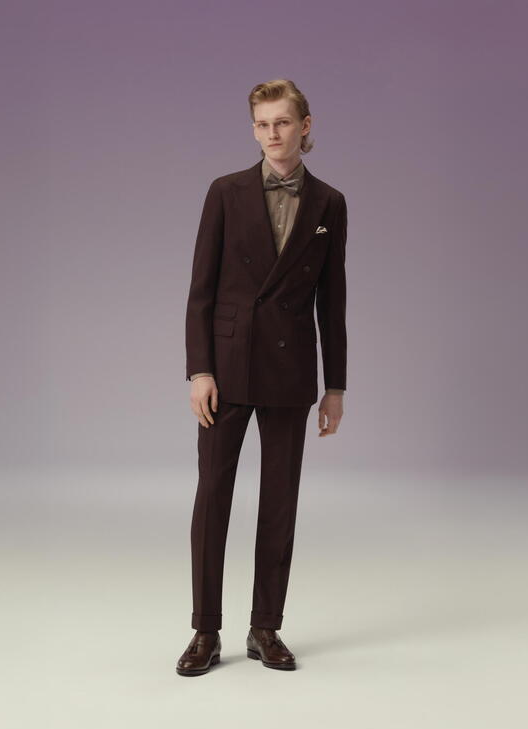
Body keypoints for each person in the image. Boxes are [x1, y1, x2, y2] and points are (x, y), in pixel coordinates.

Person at [177, 79, 347, 676]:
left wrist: (335, 386)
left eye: (282, 122)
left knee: (279, 501)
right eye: (262, 124)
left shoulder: (330, 203)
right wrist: (200, 369)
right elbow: (200, 290)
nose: (272, 133)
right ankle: (205, 631)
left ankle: (265, 627)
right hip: (226, 369)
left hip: (290, 368)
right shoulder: (225, 192)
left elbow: (333, 300)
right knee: (212, 496)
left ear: (305, 126)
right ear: (254, 129)